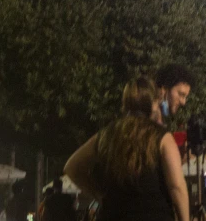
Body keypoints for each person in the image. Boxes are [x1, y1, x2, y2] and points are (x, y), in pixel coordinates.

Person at [64, 76, 190, 221]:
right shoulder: (162, 138)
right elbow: (177, 187)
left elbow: (71, 167)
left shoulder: (106, 135)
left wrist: (98, 193)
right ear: (153, 103)